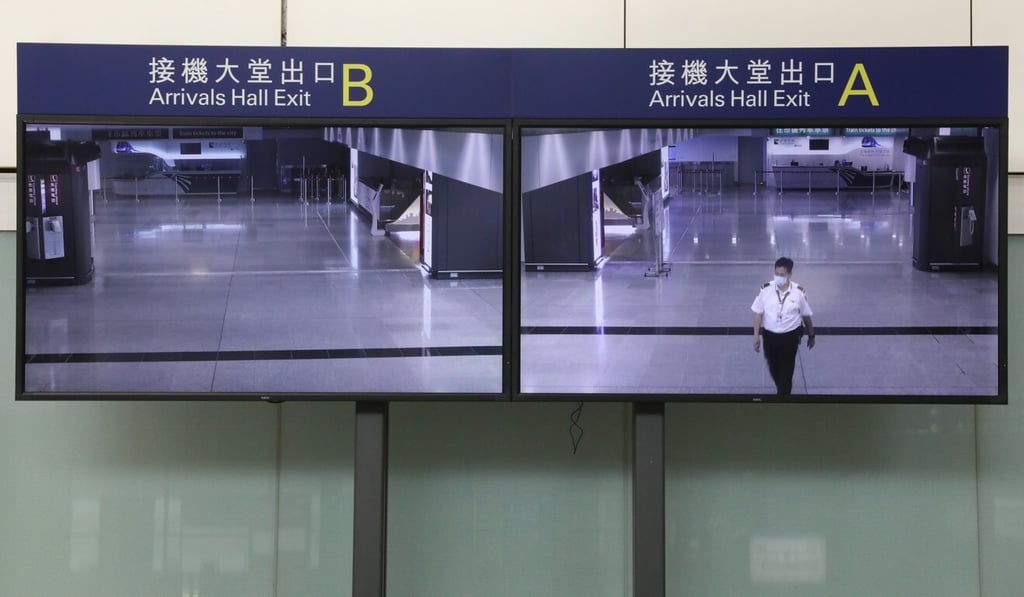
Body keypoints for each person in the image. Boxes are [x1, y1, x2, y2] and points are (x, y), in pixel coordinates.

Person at [751, 257, 815, 395]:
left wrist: (811, 335)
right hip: (770, 336)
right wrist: (756, 336)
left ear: (789, 274)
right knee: (774, 369)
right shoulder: (765, 289)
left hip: (790, 337)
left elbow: (806, 316)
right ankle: (781, 389)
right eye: (776, 274)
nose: (778, 277)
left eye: (782, 275)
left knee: (786, 372)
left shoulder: (799, 293)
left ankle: (783, 398)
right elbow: (758, 313)